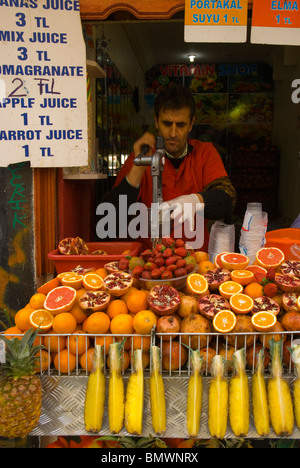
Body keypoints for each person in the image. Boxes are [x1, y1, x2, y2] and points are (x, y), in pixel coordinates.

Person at [99, 83, 236, 251]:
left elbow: (227, 199)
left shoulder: (205, 153)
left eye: (180, 125)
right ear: (156, 121)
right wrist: (139, 166)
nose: (172, 133)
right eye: (166, 124)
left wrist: (195, 200)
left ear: (191, 124)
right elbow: (108, 225)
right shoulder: (141, 157)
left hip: (196, 260)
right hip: (148, 261)